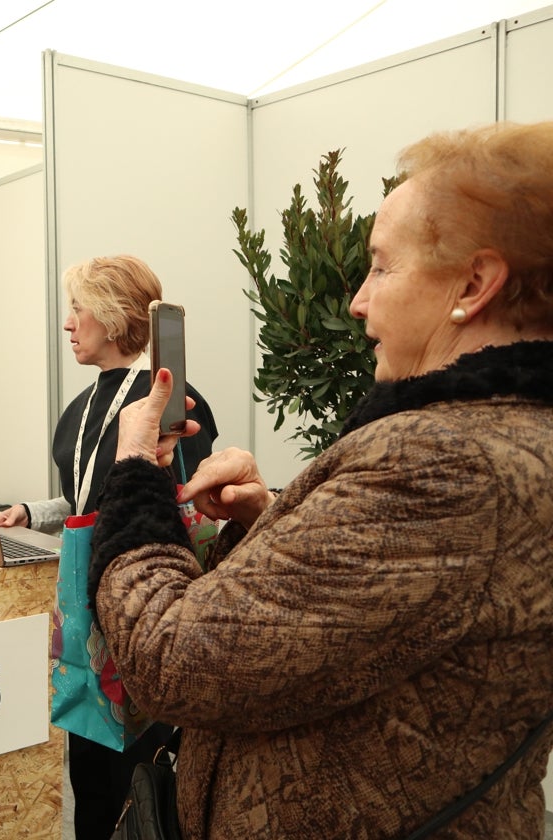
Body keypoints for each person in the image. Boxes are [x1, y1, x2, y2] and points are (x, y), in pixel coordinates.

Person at [88, 121, 553, 838]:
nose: (359, 301)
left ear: (474, 283)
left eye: (383, 266)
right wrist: (272, 519)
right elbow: (404, 616)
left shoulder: (443, 464)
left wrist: (132, 480)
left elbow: (169, 656)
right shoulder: (506, 443)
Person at [0, 255, 218, 840]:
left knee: (137, 780)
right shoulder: (79, 409)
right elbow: (86, 495)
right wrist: (33, 512)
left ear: (115, 318)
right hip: (89, 612)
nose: (68, 323)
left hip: (140, 613)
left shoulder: (168, 400)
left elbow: (176, 505)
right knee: (90, 773)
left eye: (78, 308)